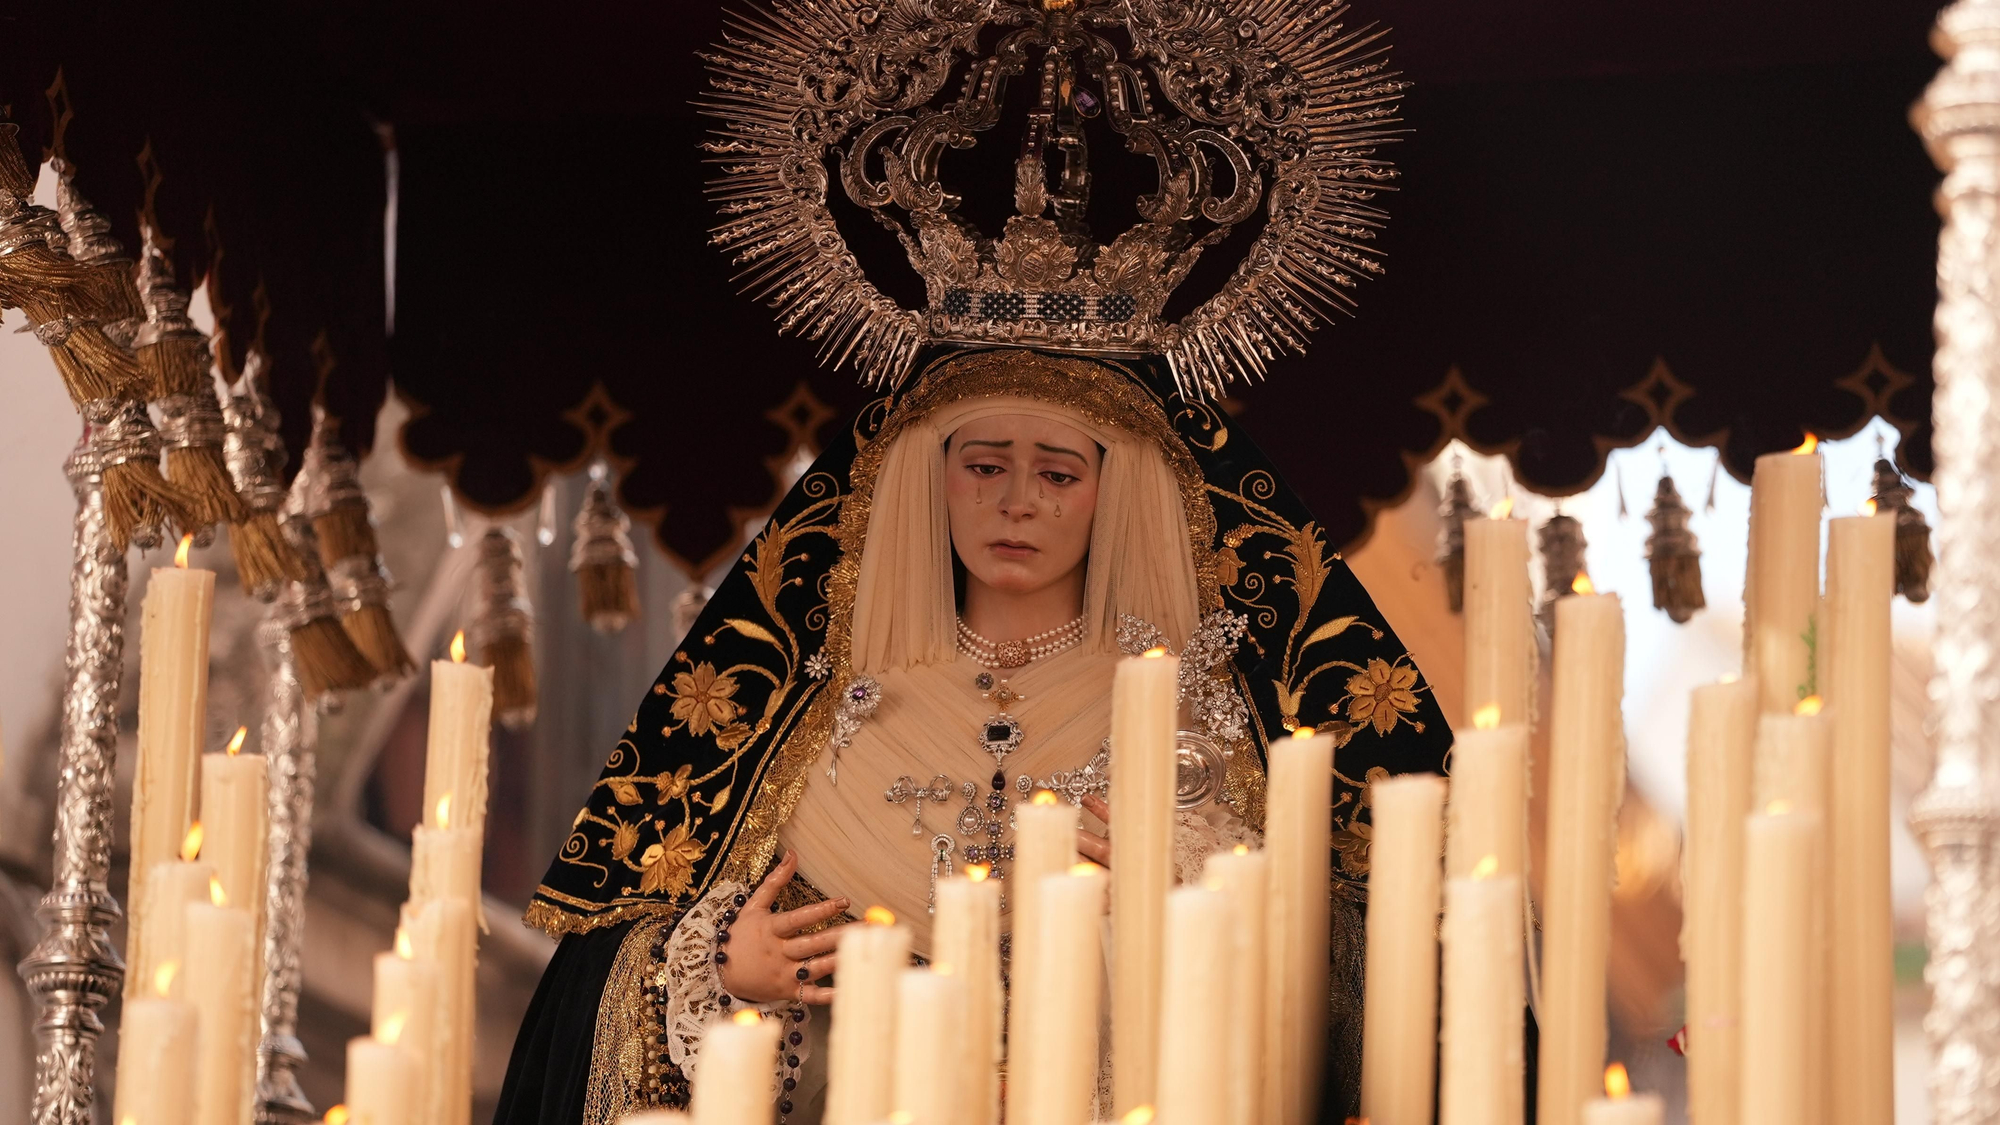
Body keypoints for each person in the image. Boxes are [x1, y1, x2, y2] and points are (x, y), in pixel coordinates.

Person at [496, 349, 1453, 1124]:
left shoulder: (1192, 720)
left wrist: (1189, 899)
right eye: (985, 464)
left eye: (1058, 472)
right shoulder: (816, 714)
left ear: (1109, 492)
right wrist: (717, 969)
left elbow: (1345, 971)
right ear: (934, 476)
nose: (1017, 501)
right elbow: (626, 950)